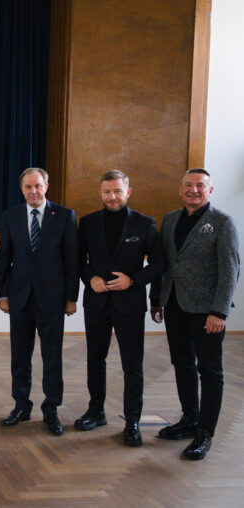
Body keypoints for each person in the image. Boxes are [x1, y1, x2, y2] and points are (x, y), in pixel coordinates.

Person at [150, 168, 240, 460]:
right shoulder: (171, 219)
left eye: (200, 186)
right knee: (183, 364)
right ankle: (189, 420)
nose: (193, 190)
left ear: (209, 190)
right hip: (175, 306)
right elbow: (163, 264)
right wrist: (157, 300)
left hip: (207, 313)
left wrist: (219, 312)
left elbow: (230, 272)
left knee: (210, 371)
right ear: (180, 189)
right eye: (188, 185)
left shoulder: (223, 223)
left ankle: (205, 432)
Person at [75, 170, 163, 446]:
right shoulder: (87, 223)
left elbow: (159, 264)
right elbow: (78, 261)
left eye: (117, 191)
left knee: (132, 365)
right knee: (94, 360)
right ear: (100, 193)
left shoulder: (144, 224)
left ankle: (132, 421)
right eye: (106, 192)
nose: (111, 197)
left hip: (130, 304)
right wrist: (91, 278)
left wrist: (133, 280)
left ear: (128, 192)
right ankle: (96, 410)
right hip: (97, 303)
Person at [0, 167, 78, 435]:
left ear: (46, 186)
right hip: (20, 298)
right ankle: (21, 406)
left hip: (53, 300)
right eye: (28, 187)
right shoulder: (11, 216)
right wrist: (4, 294)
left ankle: (51, 409)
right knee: (20, 357)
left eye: (37, 186)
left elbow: (72, 260)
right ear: (22, 190)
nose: (33, 191)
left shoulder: (64, 216)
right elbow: (5, 259)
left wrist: (71, 298)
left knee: (51, 357)